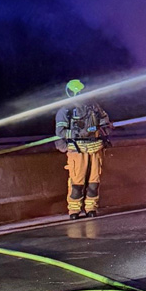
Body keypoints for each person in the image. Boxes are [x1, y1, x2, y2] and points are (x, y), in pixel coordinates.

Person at [54, 79, 112, 219]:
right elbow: (60, 132)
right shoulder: (65, 111)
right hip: (77, 150)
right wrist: (77, 133)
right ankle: (74, 209)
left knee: (94, 181)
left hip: (95, 149)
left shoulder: (94, 108)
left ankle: (91, 207)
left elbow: (104, 121)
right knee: (77, 182)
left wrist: (106, 127)